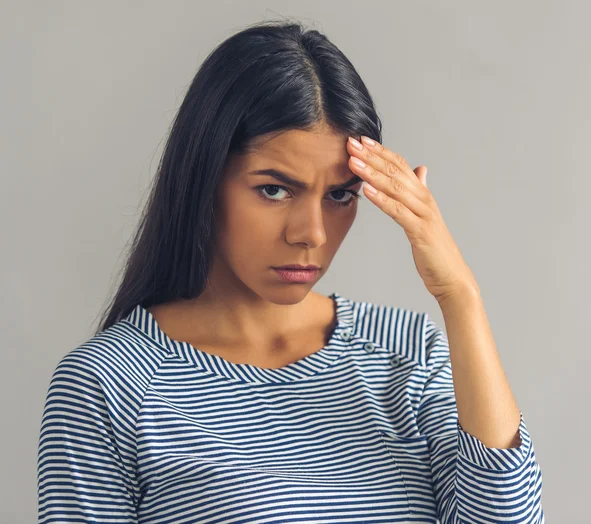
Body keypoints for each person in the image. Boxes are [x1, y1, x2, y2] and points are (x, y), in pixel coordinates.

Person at [37, 19, 544, 523]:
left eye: (340, 195)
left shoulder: (406, 353)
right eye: (275, 190)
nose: (312, 233)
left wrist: (460, 295)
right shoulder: (107, 384)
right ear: (205, 179)